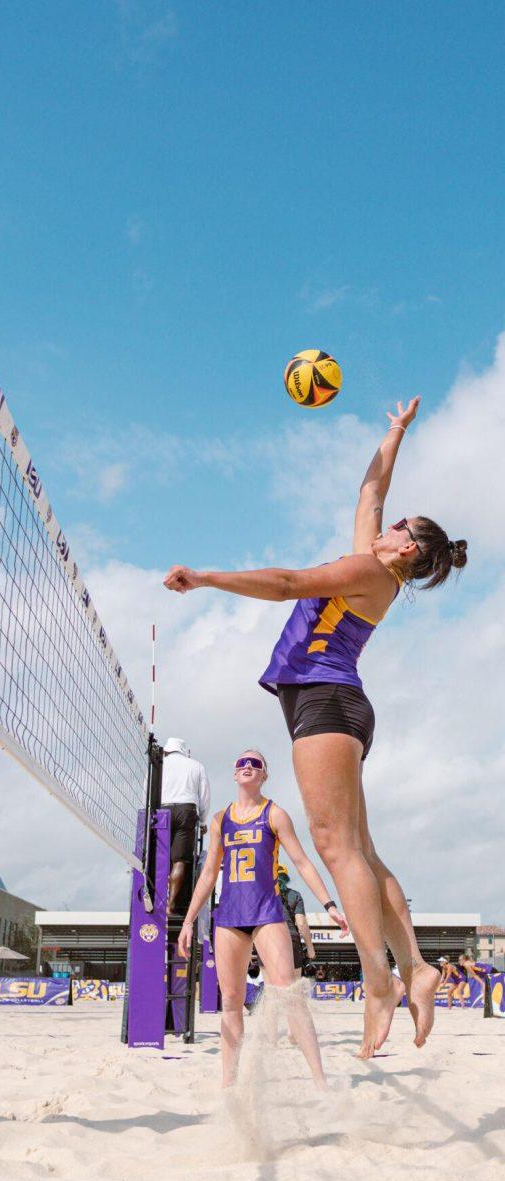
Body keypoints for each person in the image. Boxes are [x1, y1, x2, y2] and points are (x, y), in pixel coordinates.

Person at [165, 396, 467, 1058]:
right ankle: (415, 966)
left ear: (406, 547)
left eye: (397, 528)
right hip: (341, 704)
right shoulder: (378, 566)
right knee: (361, 848)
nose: (385, 526)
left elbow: (285, 582)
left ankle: (378, 977)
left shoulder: (367, 570)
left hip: (325, 704)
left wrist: (208, 578)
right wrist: (395, 432)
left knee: (337, 848)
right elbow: (371, 491)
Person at [178, 749, 348, 1088]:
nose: (247, 767)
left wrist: (328, 903)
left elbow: (301, 861)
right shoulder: (220, 819)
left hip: (266, 913)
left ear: (264, 775)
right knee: (231, 1003)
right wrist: (188, 920)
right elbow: (209, 872)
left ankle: (320, 1082)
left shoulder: (275, 814)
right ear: (234, 773)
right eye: (241, 763)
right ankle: (229, 1087)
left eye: (254, 763)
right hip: (229, 916)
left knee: (288, 993)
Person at [160, 737, 211, 914]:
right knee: (180, 860)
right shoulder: (196, 765)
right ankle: (171, 904)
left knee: (160, 857)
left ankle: (157, 897)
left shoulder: (159, 763)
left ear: (167, 750)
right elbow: (204, 795)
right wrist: (203, 821)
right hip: (186, 810)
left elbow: (147, 788)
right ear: (184, 751)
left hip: (161, 811)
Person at [276, 866, 314, 979]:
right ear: (286, 878)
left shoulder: (264, 893)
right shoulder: (295, 895)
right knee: (294, 983)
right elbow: (301, 923)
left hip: (267, 937)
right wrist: (310, 947)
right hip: (291, 937)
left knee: (270, 986)